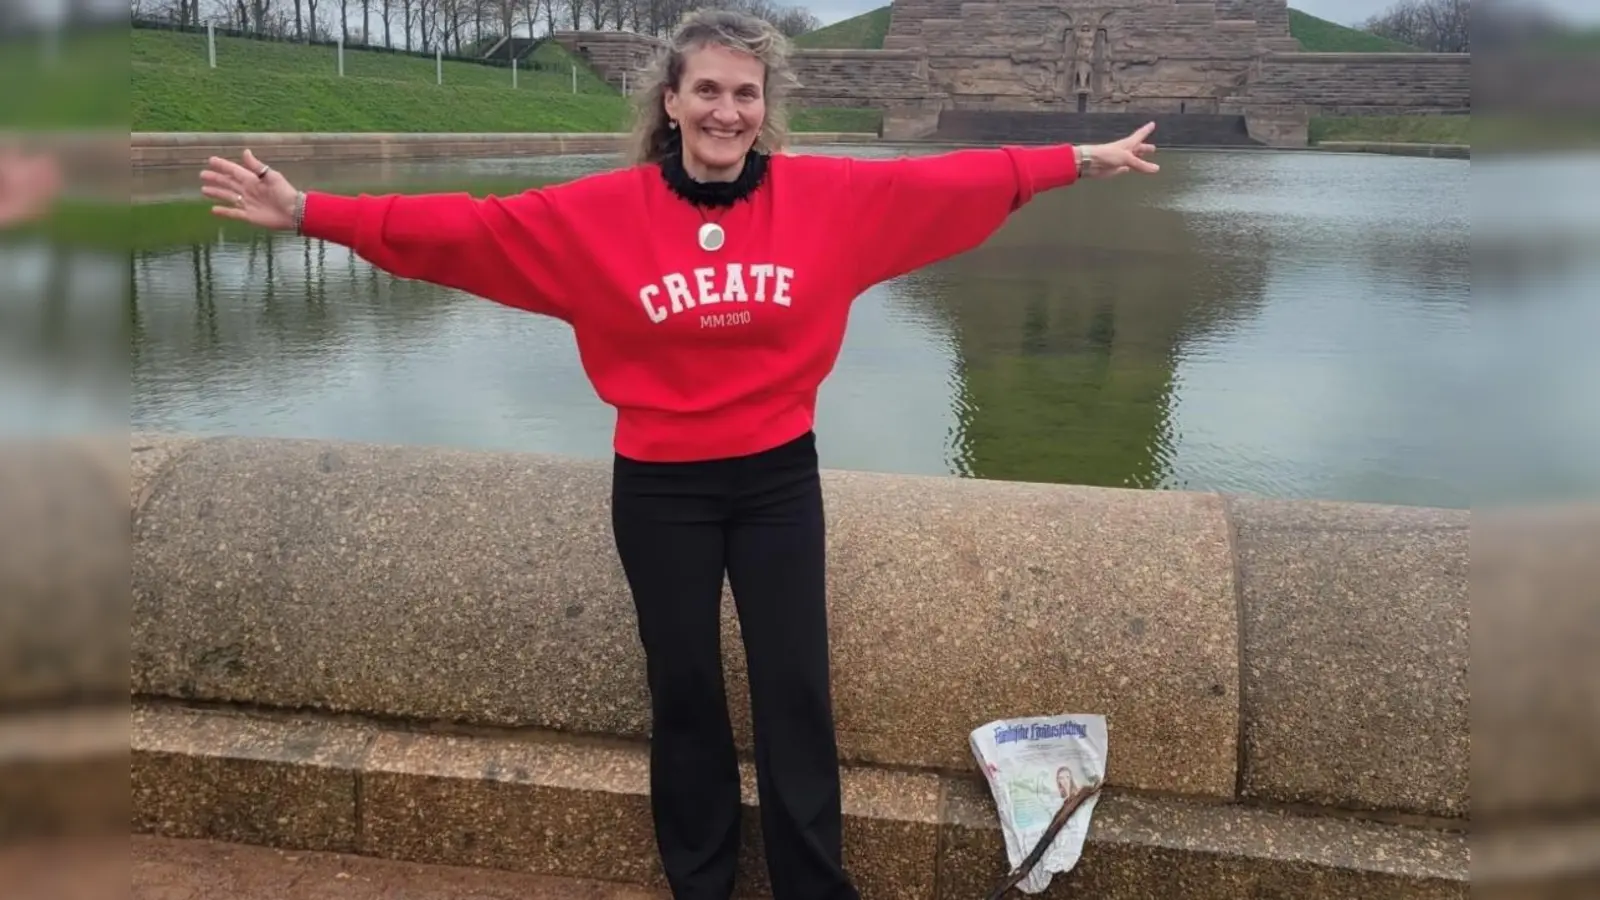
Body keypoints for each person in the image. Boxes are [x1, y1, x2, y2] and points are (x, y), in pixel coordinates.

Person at [198, 9, 1158, 899]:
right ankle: (701, 884)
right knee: (686, 688)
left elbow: (957, 181)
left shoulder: (831, 199)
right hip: (660, 487)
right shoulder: (597, 217)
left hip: (779, 478)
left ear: (764, 109)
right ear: (671, 101)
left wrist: (1076, 157)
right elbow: (463, 231)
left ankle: (812, 888)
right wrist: (310, 211)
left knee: (795, 688)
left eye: (745, 94)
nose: (726, 110)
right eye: (707, 90)